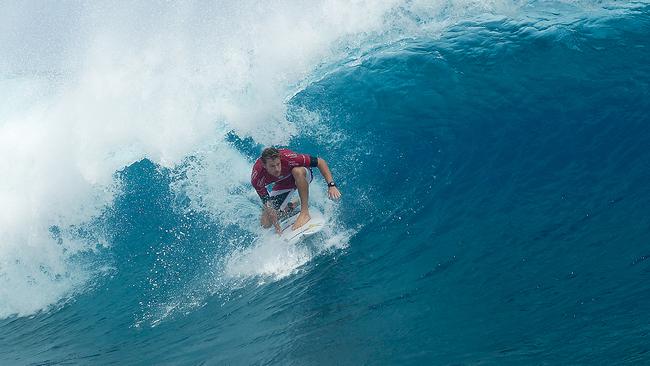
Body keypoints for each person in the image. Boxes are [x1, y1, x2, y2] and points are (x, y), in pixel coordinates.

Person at [251, 147, 341, 233]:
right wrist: (277, 228)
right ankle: (292, 205)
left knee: (297, 171)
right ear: (264, 165)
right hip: (283, 184)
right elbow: (268, 204)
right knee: (266, 223)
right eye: (272, 166)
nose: (277, 169)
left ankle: (305, 212)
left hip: (302, 175)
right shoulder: (257, 178)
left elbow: (320, 162)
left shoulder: (289, 158)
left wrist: (331, 185)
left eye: (278, 164)